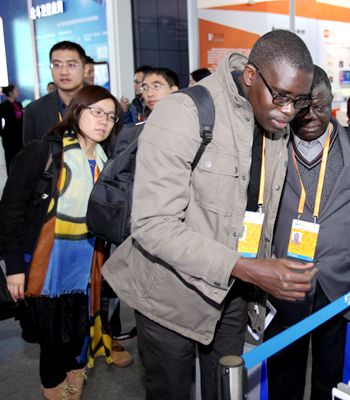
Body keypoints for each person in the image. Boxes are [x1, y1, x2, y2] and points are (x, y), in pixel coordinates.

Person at [102, 30, 316, 400]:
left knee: (226, 391)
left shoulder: (276, 127)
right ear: (251, 75)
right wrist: (247, 268)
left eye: (299, 101)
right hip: (171, 295)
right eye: (280, 97)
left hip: (234, 294)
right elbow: (153, 225)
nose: (288, 111)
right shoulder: (184, 111)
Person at [265, 65, 350, 400]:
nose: (310, 116)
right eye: (303, 107)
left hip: (344, 281)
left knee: (333, 378)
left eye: (319, 107)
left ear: (332, 104)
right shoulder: (270, 146)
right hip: (285, 281)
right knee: (283, 376)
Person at [1, 85, 123, 400]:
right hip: (48, 260)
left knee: (81, 328)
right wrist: (14, 267)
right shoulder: (43, 152)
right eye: (96, 111)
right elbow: (10, 212)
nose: (104, 121)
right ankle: (54, 390)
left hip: (89, 261)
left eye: (110, 116)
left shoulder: (105, 158)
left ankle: (75, 382)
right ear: (77, 110)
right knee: (52, 335)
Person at [23, 41, 86, 145]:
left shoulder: (102, 105)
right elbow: (30, 156)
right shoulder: (34, 111)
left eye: (71, 65)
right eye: (57, 65)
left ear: (84, 68)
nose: (64, 72)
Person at [0, 85, 24, 174]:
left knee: (21, 159)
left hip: (19, 136)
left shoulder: (19, 104)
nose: (18, 92)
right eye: (16, 90)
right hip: (9, 137)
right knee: (10, 160)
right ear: (10, 93)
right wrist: (3, 133)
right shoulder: (3, 106)